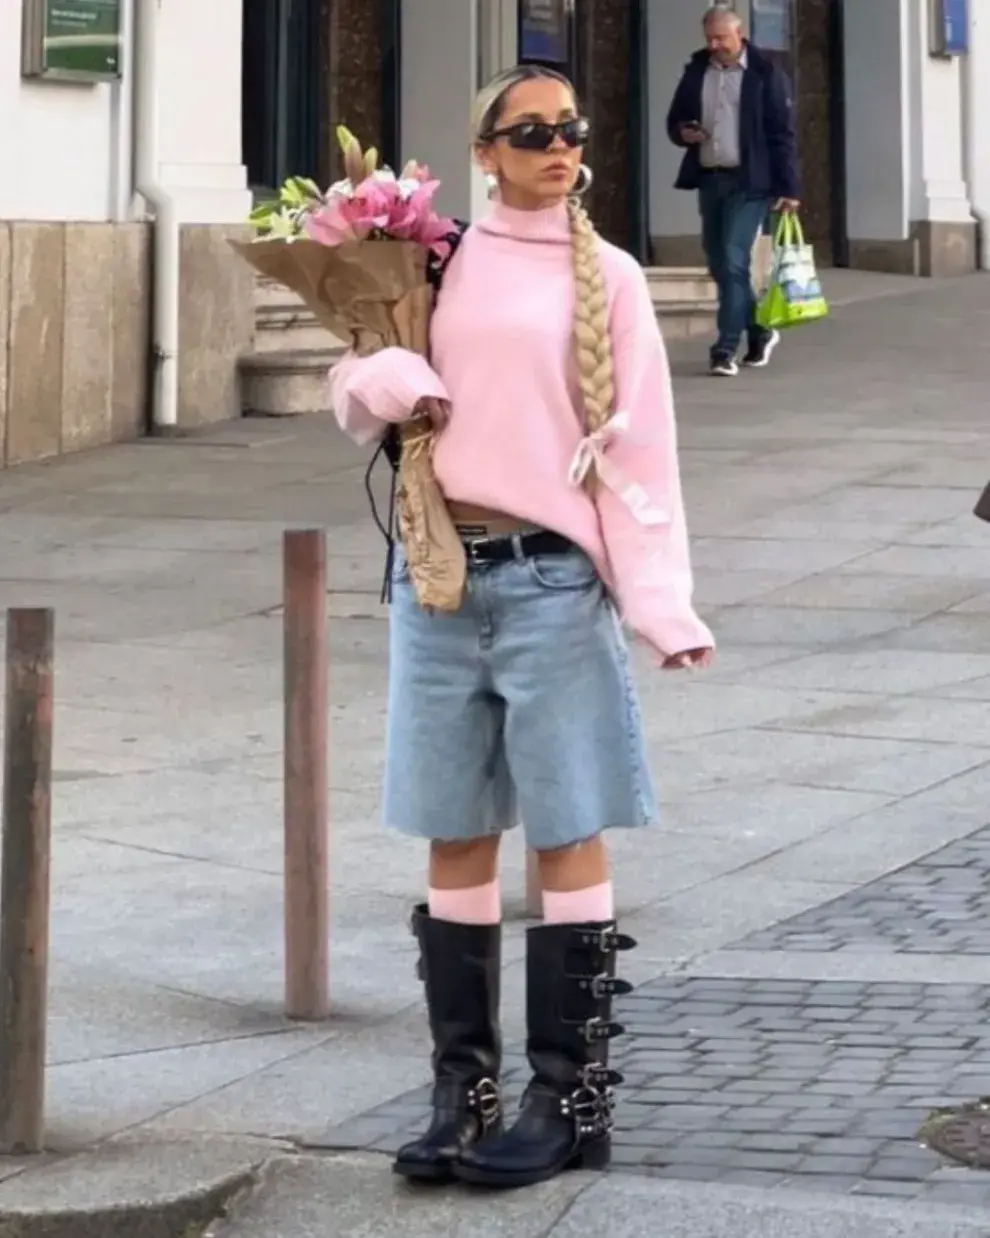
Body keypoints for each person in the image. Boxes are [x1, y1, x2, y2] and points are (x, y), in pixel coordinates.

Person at [329, 64, 713, 1191]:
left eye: (571, 130)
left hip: (551, 581)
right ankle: (464, 1091)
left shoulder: (617, 279)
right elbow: (353, 393)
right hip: (439, 577)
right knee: (453, 826)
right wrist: (382, 376)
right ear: (486, 150)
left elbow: (641, 457)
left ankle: (569, 1095)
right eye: (530, 131)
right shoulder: (429, 260)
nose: (558, 146)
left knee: (565, 826)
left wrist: (659, 601)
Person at [666, 4, 800, 377]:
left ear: (738, 35)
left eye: (721, 38)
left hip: (751, 181)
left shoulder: (765, 72)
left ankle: (724, 349)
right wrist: (684, 132)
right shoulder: (697, 70)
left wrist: (789, 188)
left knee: (733, 256)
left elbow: (782, 134)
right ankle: (758, 330)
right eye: (709, 38)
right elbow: (674, 119)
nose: (714, 44)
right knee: (718, 262)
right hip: (711, 177)